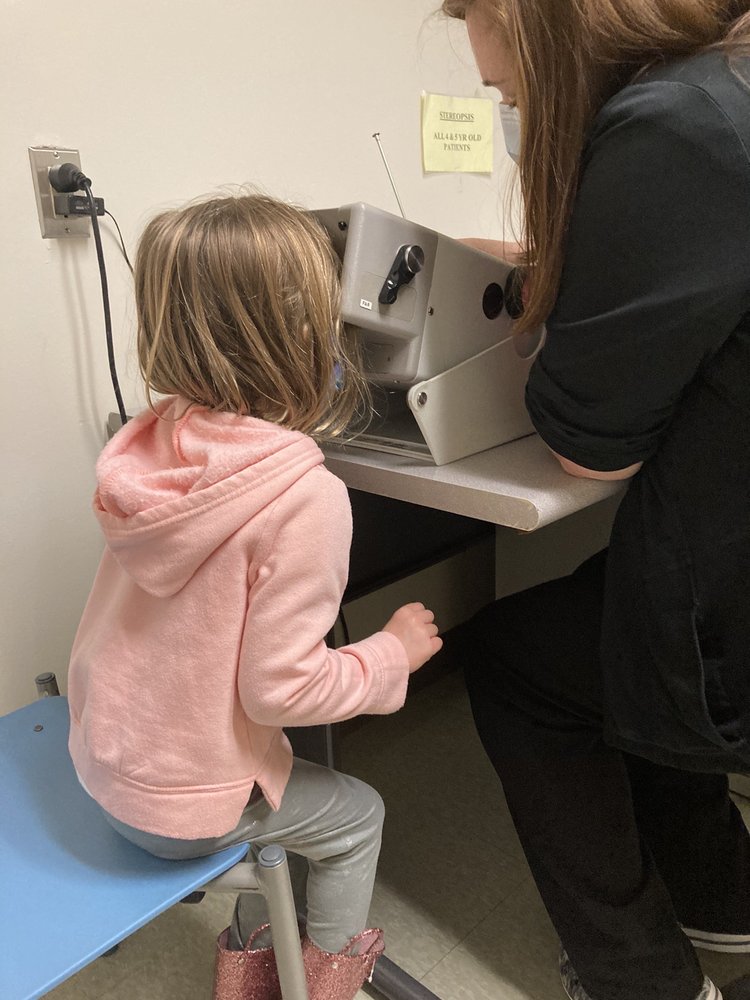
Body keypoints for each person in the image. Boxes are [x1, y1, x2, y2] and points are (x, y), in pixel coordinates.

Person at [441, 2, 750, 1000]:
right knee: (607, 599)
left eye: (508, 92)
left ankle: (641, 978)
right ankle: (721, 895)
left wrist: (557, 318)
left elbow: (587, 454)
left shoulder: (670, 127)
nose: (511, 111)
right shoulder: (725, 93)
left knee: (515, 658)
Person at [66, 192, 443, 1000]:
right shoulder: (305, 498)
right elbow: (282, 692)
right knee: (357, 817)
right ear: (306, 335)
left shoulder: (148, 444)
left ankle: (252, 952)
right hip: (178, 808)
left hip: (104, 761)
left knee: (277, 788)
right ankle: (316, 987)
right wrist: (390, 655)